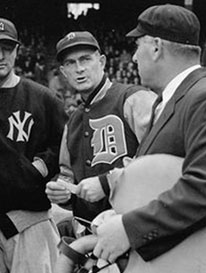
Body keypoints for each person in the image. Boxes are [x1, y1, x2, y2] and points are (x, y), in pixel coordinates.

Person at [90, 4, 206, 264]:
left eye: (136, 46)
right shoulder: (171, 99)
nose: (134, 58)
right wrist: (120, 215)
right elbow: (160, 182)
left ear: (156, 47)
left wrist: (130, 227)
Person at [0, 17, 68, 273]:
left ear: (17, 52)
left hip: (30, 222)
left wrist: (39, 168)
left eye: (7, 49)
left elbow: (63, 147)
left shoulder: (44, 98)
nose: (0, 56)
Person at [45, 31, 156, 240]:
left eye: (85, 59)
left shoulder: (134, 98)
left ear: (102, 61)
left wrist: (107, 183)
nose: (79, 69)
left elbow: (160, 160)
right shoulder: (73, 121)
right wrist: (63, 193)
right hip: (90, 235)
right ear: (63, 71)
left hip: (137, 229)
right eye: (70, 63)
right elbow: (67, 173)